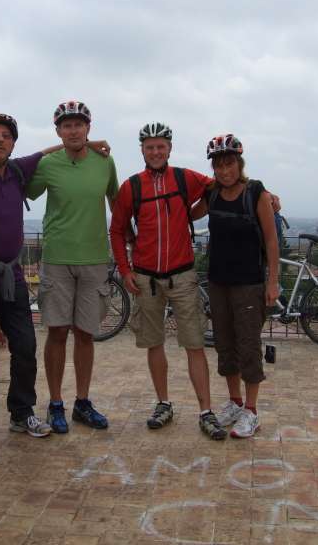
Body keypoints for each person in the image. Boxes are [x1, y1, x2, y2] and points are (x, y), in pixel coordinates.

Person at [0, 113, 110, 442]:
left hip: (11, 274)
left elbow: (48, 151)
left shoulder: (18, 169)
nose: (0, 140)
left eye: (6, 136)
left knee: (25, 345)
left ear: (13, 143)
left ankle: (22, 412)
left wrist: (86, 144)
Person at [109, 122, 227, 439]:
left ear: (170, 148)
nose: (156, 152)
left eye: (161, 146)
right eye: (150, 147)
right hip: (146, 277)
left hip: (182, 274)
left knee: (194, 344)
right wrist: (125, 270)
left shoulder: (184, 178)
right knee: (154, 343)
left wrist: (264, 195)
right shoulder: (132, 186)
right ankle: (163, 403)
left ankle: (206, 410)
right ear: (142, 150)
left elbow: (221, 184)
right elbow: (117, 230)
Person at [25, 101, 119, 433]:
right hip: (57, 259)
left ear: (88, 127)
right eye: (67, 125)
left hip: (94, 258)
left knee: (85, 334)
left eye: (79, 124)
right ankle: (55, 403)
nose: (74, 130)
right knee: (56, 332)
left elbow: (116, 203)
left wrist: (127, 243)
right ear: (58, 131)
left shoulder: (105, 162)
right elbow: (24, 188)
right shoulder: (48, 164)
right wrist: (54, 150)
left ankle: (82, 401)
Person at [192, 134, 279, 438]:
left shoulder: (256, 193)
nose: (224, 170)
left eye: (229, 163)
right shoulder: (212, 194)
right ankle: (235, 402)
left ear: (239, 164)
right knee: (225, 345)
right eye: (218, 165)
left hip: (249, 284)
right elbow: (187, 213)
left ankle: (252, 411)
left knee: (248, 346)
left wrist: (273, 282)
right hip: (219, 282)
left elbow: (271, 241)